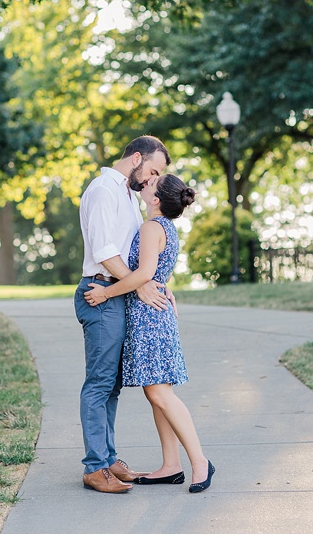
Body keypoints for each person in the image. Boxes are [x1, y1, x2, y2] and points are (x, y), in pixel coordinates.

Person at [84, 173, 215, 494]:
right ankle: (171, 466)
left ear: (156, 199)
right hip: (152, 314)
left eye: (154, 183)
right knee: (155, 394)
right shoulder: (164, 227)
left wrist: (106, 293)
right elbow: (153, 274)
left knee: (159, 393)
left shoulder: (150, 227)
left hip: (150, 317)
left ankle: (200, 461)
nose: (147, 182)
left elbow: (143, 274)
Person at [75, 135, 172, 494]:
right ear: (136, 158)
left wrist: (152, 280)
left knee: (112, 385)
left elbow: (138, 254)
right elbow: (104, 251)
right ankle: (94, 467)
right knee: (99, 383)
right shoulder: (103, 189)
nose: (152, 180)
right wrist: (139, 284)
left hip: (118, 293)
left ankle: (109, 458)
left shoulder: (129, 196)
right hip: (99, 292)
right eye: (153, 170)